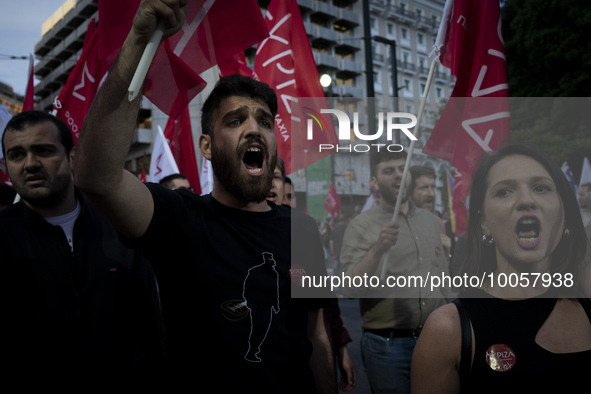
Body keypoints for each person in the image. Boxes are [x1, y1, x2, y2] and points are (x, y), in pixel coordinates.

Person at [73, 1, 335, 392]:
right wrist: (139, 42)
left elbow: (315, 336)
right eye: (235, 120)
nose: (254, 129)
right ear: (207, 146)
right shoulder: (179, 219)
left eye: (264, 121)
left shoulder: (303, 229)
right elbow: (97, 177)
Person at [0, 110, 166, 389]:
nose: (30, 163)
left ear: (73, 157)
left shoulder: (121, 227)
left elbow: (152, 331)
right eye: (17, 155)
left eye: (43, 150)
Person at [411, 142, 591, 394]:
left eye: (541, 188)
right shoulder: (448, 329)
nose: (527, 201)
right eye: (504, 191)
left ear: (562, 211)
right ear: (483, 222)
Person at [339, 150, 449, 394]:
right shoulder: (361, 226)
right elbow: (348, 289)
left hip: (435, 340)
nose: (398, 175)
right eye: (388, 171)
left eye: (402, 168)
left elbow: (444, 282)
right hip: (387, 347)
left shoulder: (429, 221)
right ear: (375, 182)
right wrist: (378, 249)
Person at [409, 165, 453, 259]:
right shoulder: (398, 224)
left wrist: (446, 255)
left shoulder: (438, 223)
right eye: (424, 188)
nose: (431, 193)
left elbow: (441, 268)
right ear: (409, 191)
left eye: (432, 187)